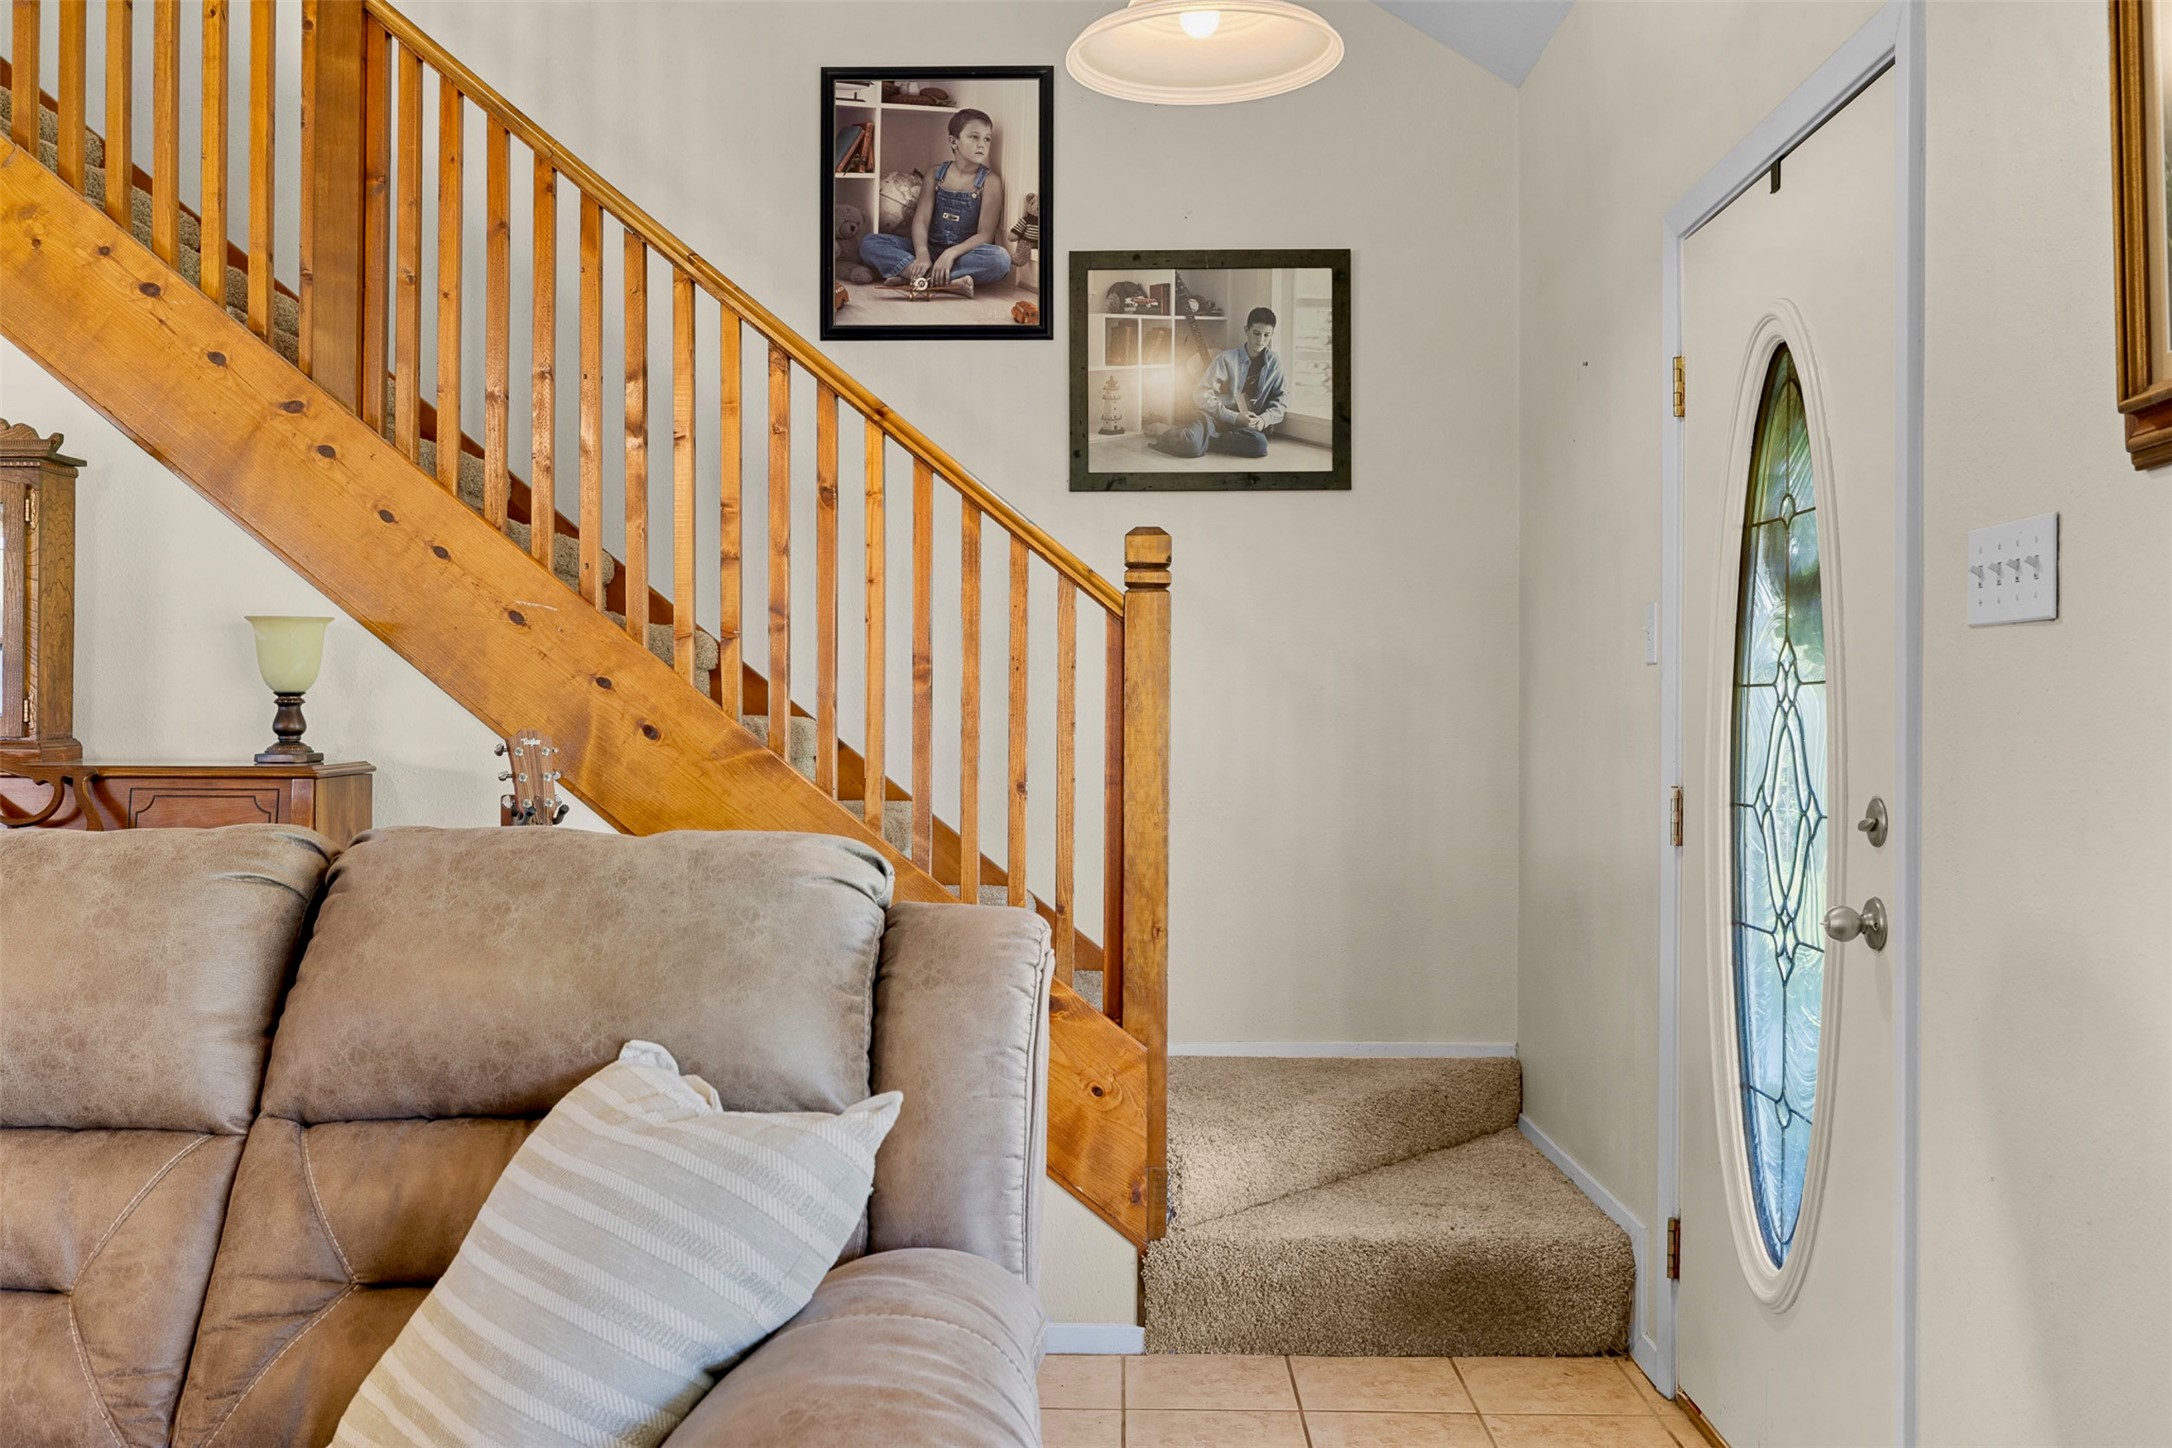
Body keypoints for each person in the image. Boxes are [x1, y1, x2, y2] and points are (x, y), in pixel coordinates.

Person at [859, 109, 1012, 299]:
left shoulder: (991, 182)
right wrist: (922, 254)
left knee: (1001, 259)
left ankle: (914, 278)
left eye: (987, 139)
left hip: (962, 254)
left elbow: (985, 235)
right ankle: (944, 282)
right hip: (929, 248)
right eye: (974, 137)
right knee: (869, 242)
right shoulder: (935, 174)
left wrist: (950, 254)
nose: (982, 144)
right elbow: (921, 220)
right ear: (953, 141)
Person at [1155, 307, 1286, 459]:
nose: (1261, 340)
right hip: (1214, 417)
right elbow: (1201, 395)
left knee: (1259, 445)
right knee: (1191, 446)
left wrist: (1263, 420)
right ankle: (1173, 433)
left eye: (1266, 335)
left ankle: (1200, 439)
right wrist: (1233, 417)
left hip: (1244, 426)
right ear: (1247, 330)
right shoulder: (1226, 358)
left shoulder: (1274, 362)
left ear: (1272, 335)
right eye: (1256, 333)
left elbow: (1281, 400)